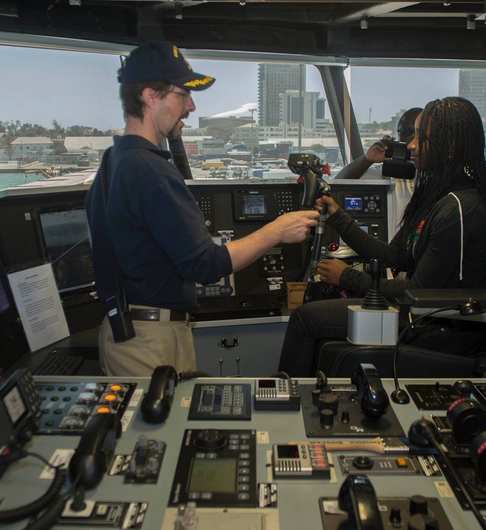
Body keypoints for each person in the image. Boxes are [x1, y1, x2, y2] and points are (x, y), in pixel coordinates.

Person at [86, 41, 319, 376]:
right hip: (148, 339)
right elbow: (206, 265)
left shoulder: (115, 160)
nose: (191, 106)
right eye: (182, 95)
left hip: (133, 329)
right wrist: (278, 230)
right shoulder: (151, 171)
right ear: (150, 96)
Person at [277, 97, 486, 376]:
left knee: (304, 320)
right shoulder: (436, 195)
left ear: (450, 146)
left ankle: (289, 399)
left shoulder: (460, 208)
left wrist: (347, 277)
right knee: (319, 298)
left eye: (420, 138)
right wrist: (337, 216)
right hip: (425, 314)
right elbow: (393, 255)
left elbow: (418, 291)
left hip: (442, 327)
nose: (411, 146)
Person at [336, 107, 422, 239]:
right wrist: (367, 159)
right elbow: (339, 184)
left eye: (416, 133)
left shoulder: (437, 175)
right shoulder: (387, 172)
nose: (411, 140)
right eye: (405, 132)